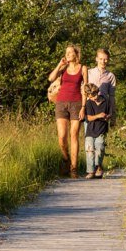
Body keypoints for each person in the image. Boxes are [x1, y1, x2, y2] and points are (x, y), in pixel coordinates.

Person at [47, 44, 86, 176]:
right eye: (66, 52)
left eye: (70, 52)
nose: (68, 54)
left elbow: (85, 89)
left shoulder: (83, 68)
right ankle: (66, 158)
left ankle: (74, 168)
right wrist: (59, 64)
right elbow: (51, 78)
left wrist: (83, 108)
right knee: (62, 136)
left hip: (76, 103)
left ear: (76, 54)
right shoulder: (63, 68)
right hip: (61, 103)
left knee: (74, 135)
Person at [81, 81, 114, 178]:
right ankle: (90, 171)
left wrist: (108, 117)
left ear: (97, 92)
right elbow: (89, 118)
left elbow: (110, 113)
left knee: (100, 148)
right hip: (91, 130)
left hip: (102, 129)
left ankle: (98, 167)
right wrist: (99, 115)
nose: (94, 98)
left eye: (94, 95)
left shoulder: (106, 101)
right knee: (89, 149)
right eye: (91, 97)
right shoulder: (89, 103)